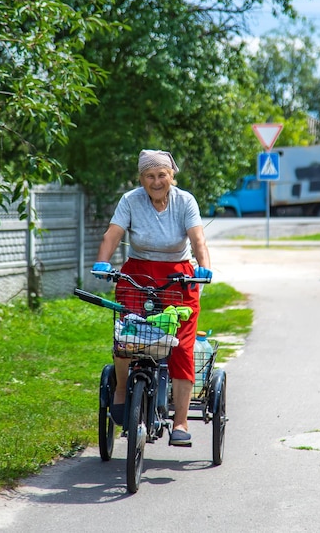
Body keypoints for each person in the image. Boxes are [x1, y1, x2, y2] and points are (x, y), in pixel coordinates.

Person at [92, 149, 212, 446]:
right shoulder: (130, 200)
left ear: (171, 175)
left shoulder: (185, 201)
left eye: (162, 175)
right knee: (127, 336)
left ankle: (181, 421)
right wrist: (102, 263)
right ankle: (121, 391)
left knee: (181, 347)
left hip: (178, 276)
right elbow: (113, 233)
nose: (156, 181)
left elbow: (198, 239)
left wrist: (205, 267)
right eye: (150, 176)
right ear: (141, 179)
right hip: (138, 273)